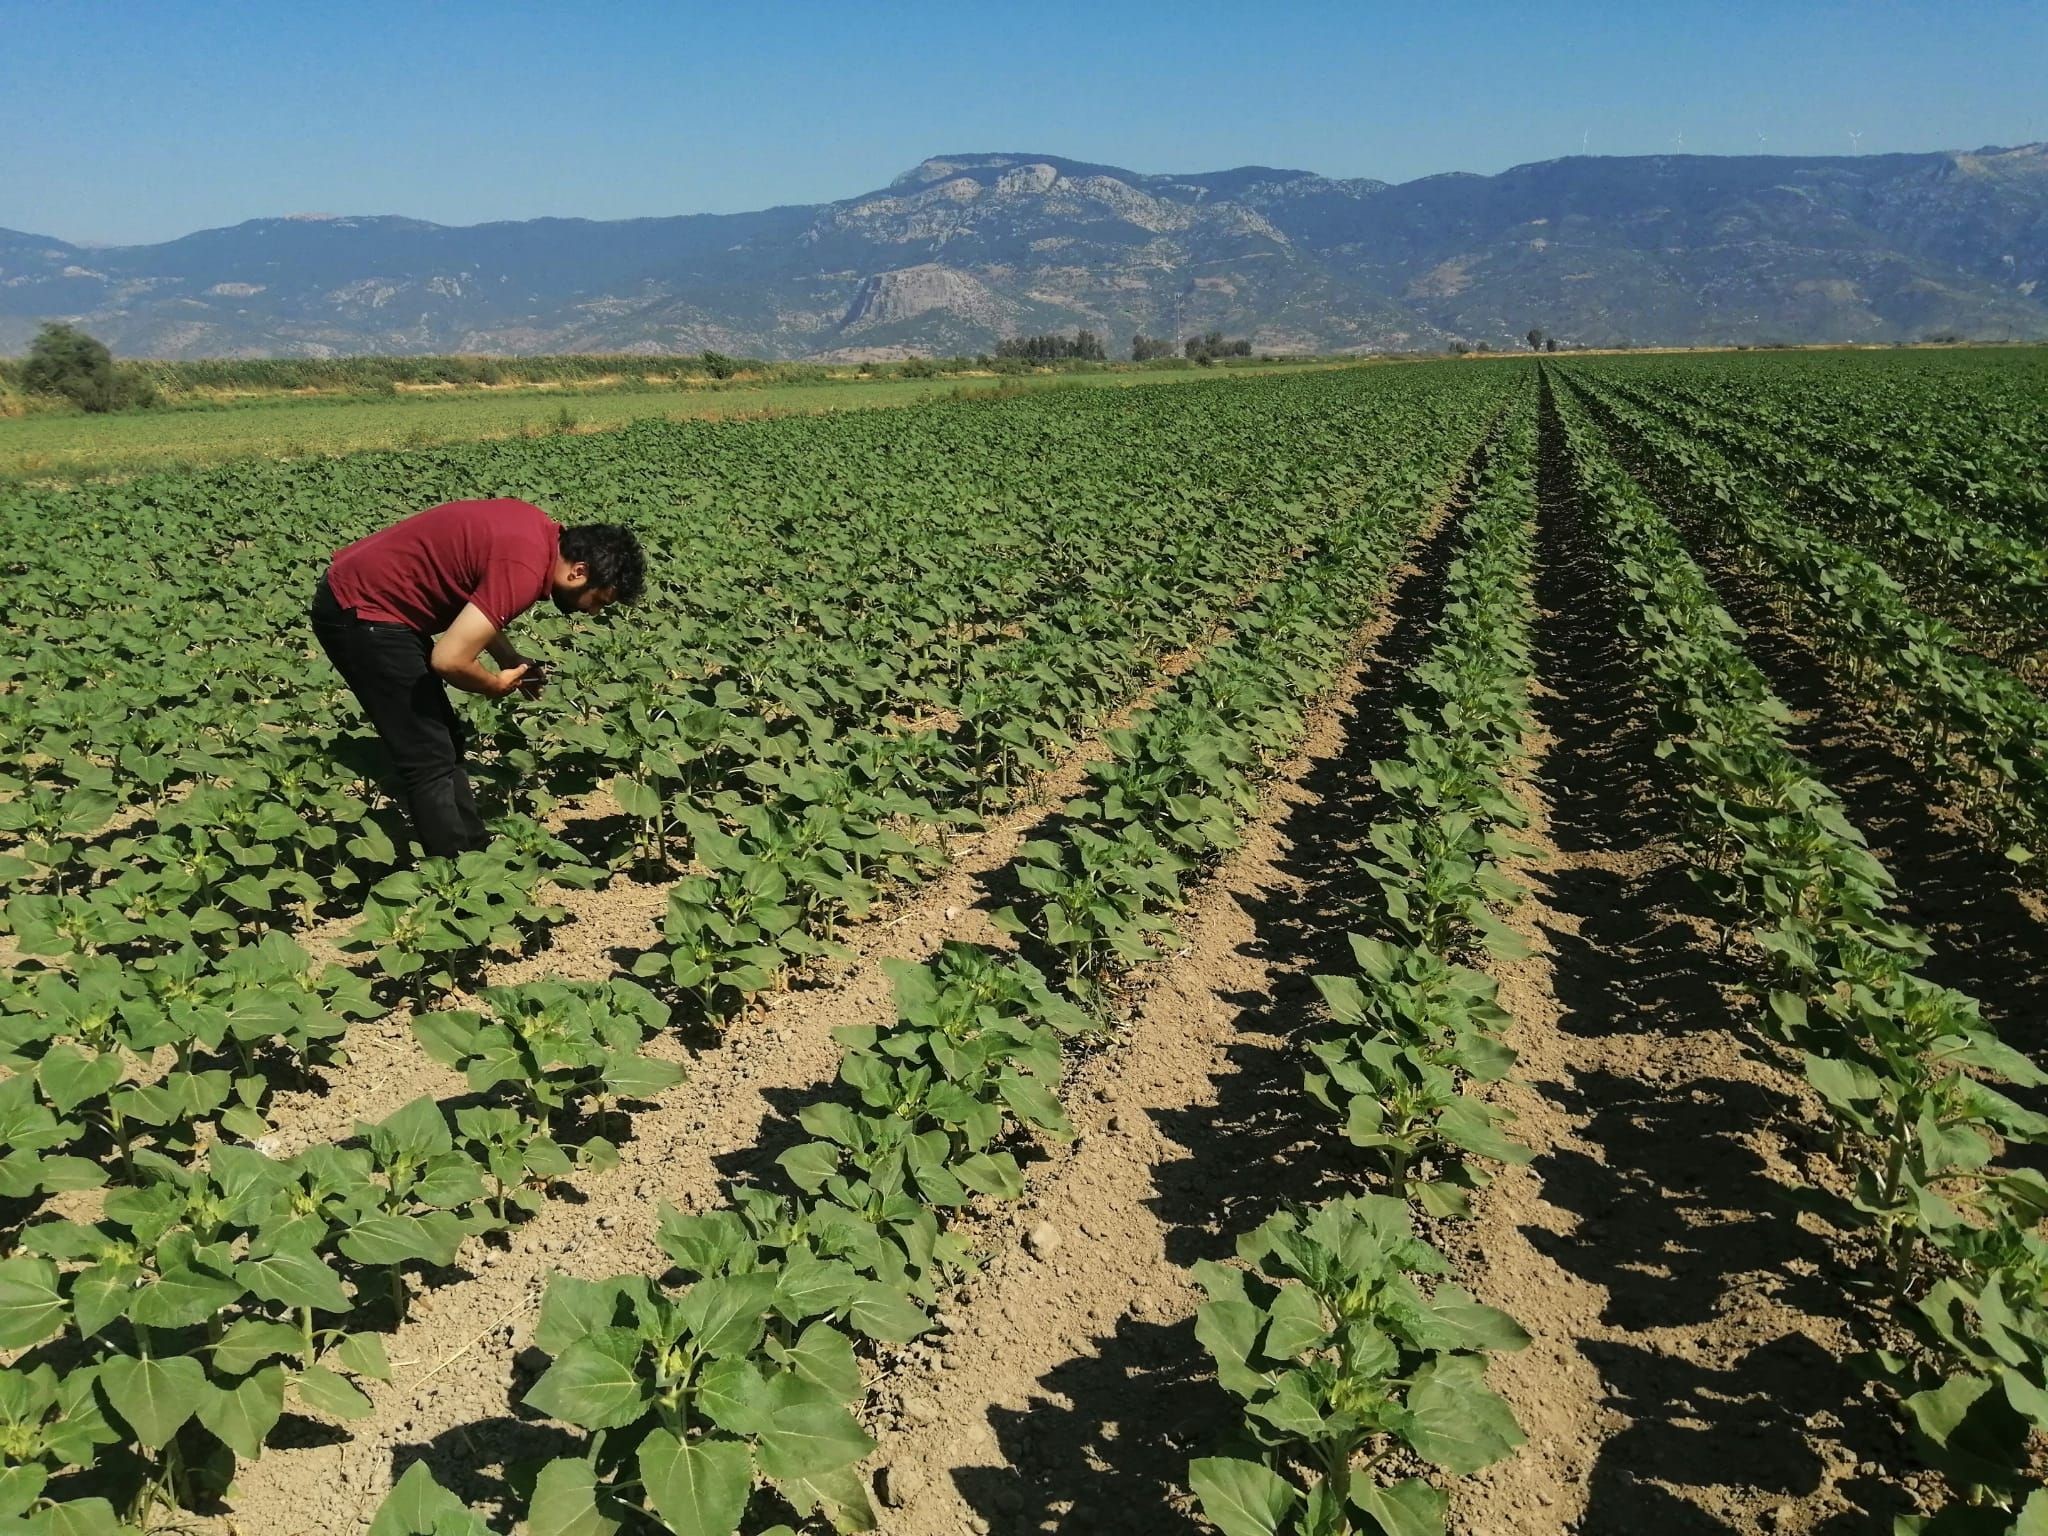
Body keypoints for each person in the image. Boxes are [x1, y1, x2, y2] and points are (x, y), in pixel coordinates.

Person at [310, 498, 645, 858]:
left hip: (378, 602)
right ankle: (454, 869)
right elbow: (449, 660)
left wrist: (509, 658)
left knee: (445, 742)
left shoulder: (536, 533)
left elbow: (478, 600)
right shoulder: (525, 569)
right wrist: (493, 685)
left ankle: (475, 855)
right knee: (427, 756)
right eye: (599, 600)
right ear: (578, 572)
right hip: (360, 610)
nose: (592, 611)